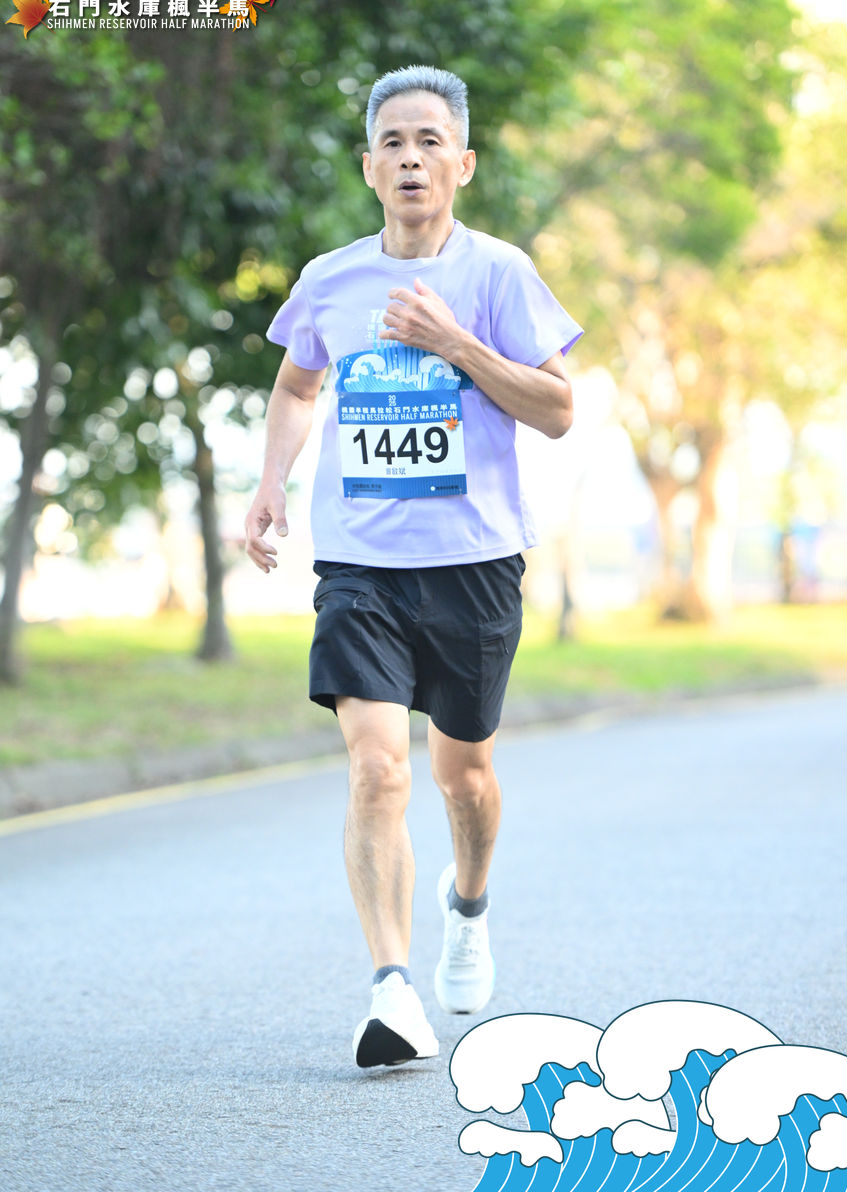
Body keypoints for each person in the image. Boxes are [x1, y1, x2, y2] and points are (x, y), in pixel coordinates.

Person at [244, 65, 583, 1069]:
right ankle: (391, 990)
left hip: (474, 562)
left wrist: (455, 342)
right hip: (360, 564)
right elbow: (297, 385)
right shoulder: (330, 279)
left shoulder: (499, 275)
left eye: (429, 140)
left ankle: (466, 905)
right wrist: (270, 481)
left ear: (462, 164)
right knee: (378, 766)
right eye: (392, 141)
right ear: (368, 166)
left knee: (463, 775)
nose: (410, 158)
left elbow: (558, 409)